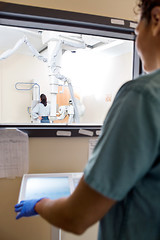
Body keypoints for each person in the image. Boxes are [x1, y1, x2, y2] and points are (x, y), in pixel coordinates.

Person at [15, 0, 160, 239]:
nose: (136, 42)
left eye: (136, 31)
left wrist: (40, 203)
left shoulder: (143, 96)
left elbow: (77, 216)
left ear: (155, 19)